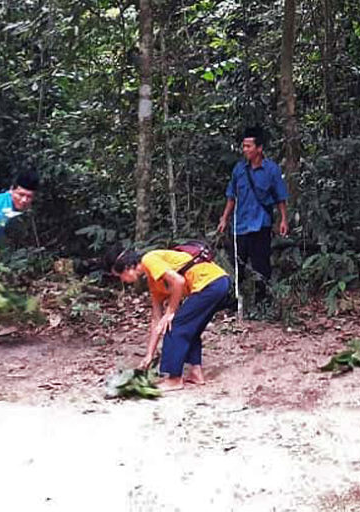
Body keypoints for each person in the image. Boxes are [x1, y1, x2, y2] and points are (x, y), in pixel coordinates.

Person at [105, 246, 230, 391]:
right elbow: (156, 319)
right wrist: (149, 355)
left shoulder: (149, 259)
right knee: (190, 328)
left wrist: (170, 312)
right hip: (217, 284)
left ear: (127, 267)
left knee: (174, 325)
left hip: (211, 283)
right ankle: (196, 373)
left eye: (119, 276)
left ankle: (174, 379)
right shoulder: (154, 281)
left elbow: (178, 281)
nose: (122, 281)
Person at [217, 126, 289, 304]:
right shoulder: (239, 170)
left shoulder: (271, 170)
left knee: (261, 265)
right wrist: (224, 218)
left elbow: (280, 197)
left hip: (261, 224)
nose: (245, 150)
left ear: (259, 148)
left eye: (249, 146)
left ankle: (262, 301)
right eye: (244, 146)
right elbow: (231, 196)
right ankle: (236, 301)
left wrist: (283, 219)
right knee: (237, 264)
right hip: (239, 225)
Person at [0, 170, 39, 345]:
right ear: (11, 190)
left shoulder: (9, 207)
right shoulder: (1, 208)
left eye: (29, 197)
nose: (24, 200)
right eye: (20, 194)